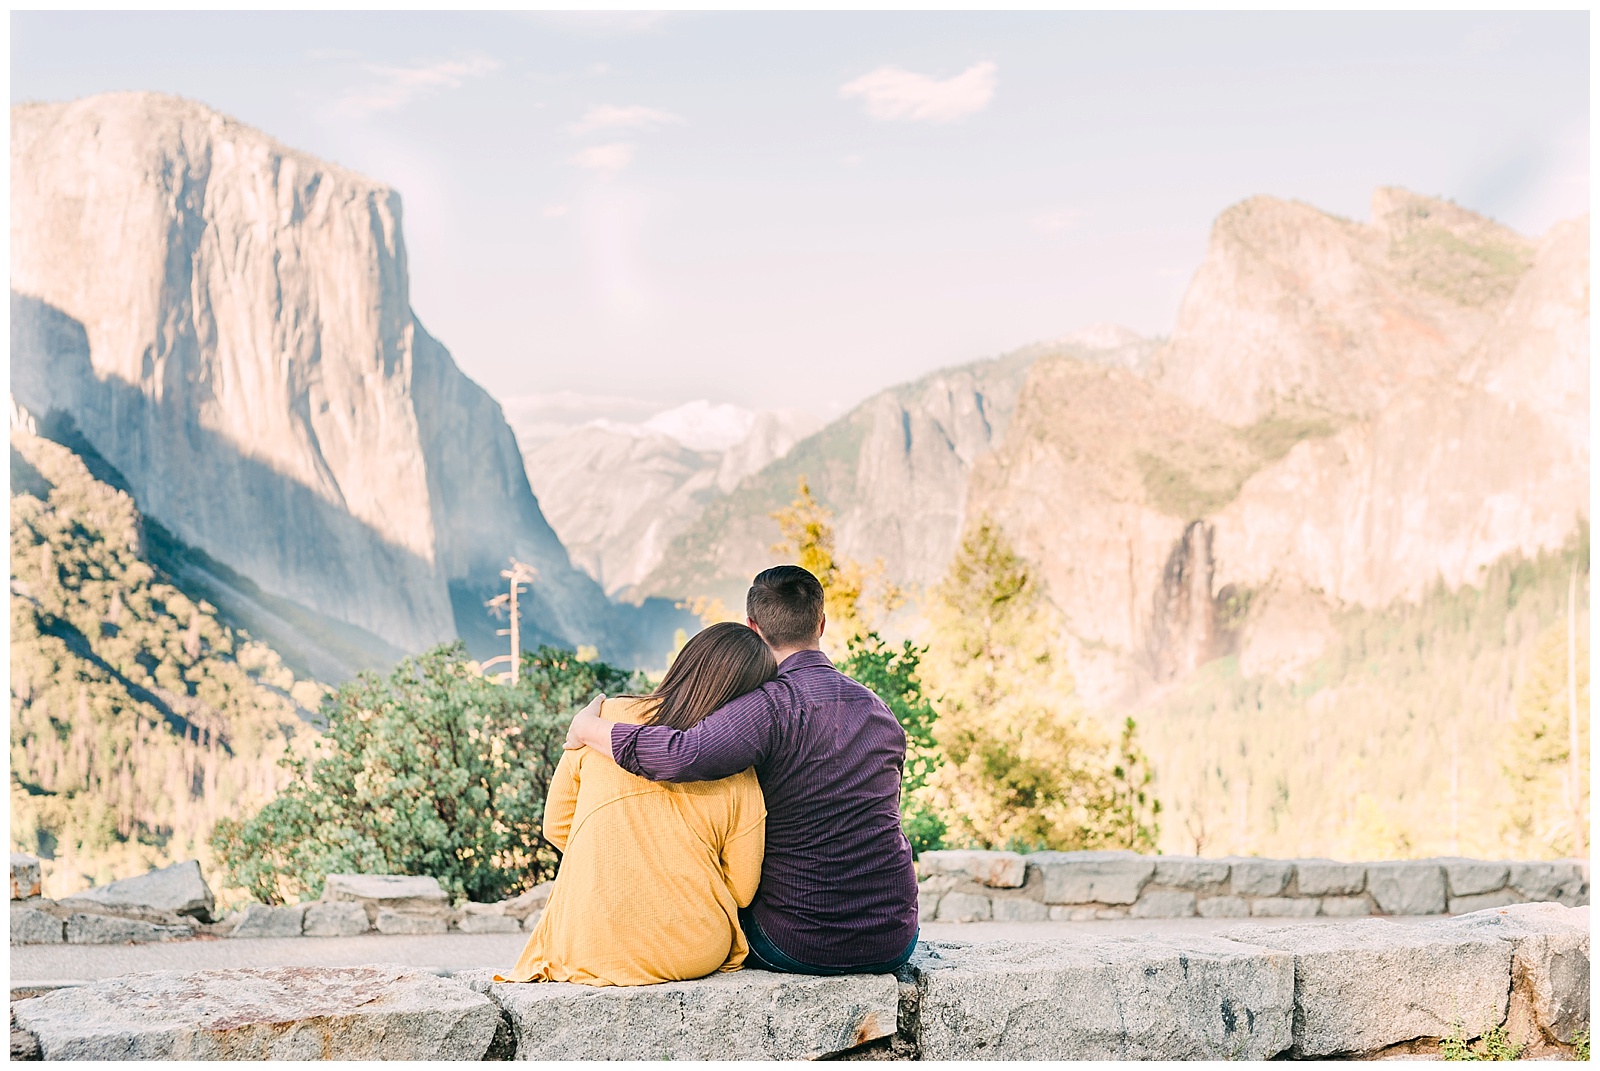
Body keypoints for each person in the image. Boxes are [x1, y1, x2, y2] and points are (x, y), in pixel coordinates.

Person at [565, 565, 920, 975]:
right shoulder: (877, 710)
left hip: (797, 941)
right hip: (894, 938)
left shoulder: (770, 707)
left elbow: (681, 754)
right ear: (821, 623)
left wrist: (588, 727)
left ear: (753, 626)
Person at [497, 622, 774, 987]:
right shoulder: (739, 770)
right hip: (692, 947)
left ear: (685, 664)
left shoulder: (600, 722)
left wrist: (619, 858)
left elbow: (556, 825)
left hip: (586, 944)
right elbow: (740, 890)